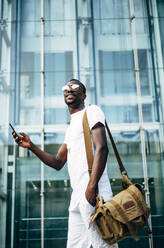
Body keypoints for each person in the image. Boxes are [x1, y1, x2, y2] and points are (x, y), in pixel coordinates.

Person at [12, 79, 118, 248]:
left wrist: (91, 187)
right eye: (66, 88)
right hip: (77, 196)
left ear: (83, 95)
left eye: (75, 87)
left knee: (104, 245)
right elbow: (58, 161)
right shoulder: (72, 126)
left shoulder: (92, 111)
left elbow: (102, 149)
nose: (69, 89)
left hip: (94, 192)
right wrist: (31, 146)